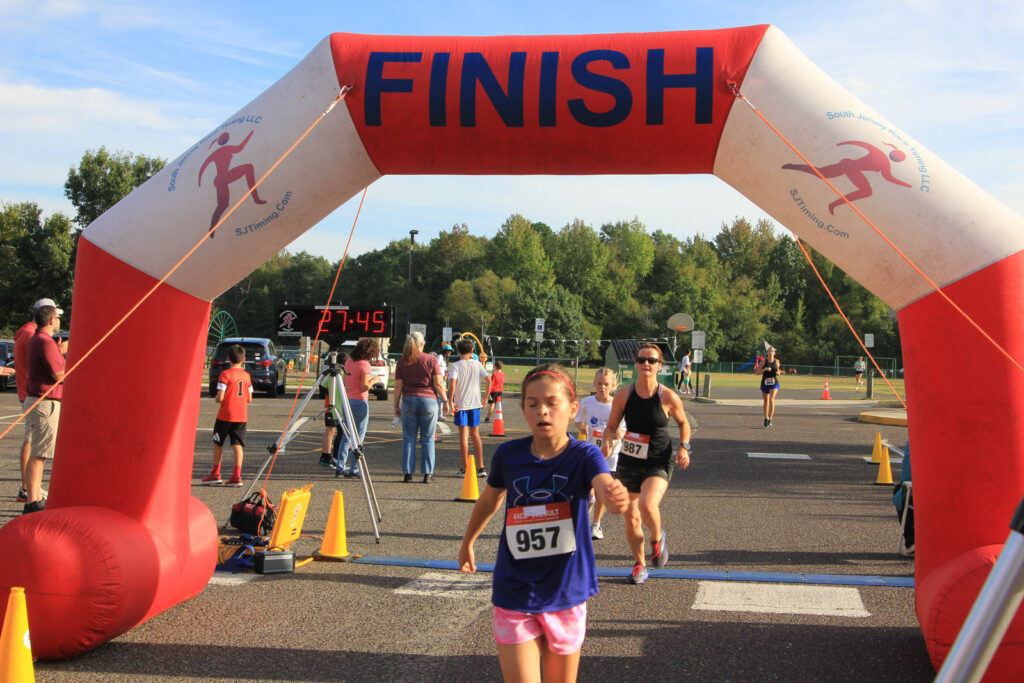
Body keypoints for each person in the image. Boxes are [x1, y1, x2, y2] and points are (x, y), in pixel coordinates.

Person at [458, 364, 629, 682]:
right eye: (533, 403)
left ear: (573, 409)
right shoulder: (508, 455)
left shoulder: (584, 455)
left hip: (566, 591)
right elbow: (489, 500)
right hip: (514, 589)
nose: (542, 411)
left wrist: (613, 496)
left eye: (552, 403)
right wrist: (468, 542)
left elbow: (604, 484)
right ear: (523, 409)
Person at [603, 343, 691, 584]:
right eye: (641, 360)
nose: (646, 364)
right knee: (631, 517)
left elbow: (683, 423)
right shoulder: (624, 395)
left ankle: (656, 538)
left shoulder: (668, 396)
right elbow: (611, 426)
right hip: (630, 461)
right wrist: (608, 440)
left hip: (658, 459)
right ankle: (639, 564)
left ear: (660, 366)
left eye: (651, 361)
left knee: (646, 504)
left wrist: (684, 447)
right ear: (635, 364)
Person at [13, 298, 66, 503]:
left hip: (34, 398)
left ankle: (32, 495)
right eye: (57, 318)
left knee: (37, 452)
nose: (59, 321)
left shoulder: (35, 338)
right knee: (39, 454)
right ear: (51, 320)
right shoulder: (44, 341)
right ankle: (32, 499)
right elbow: (59, 375)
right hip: (44, 401)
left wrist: (58, 352)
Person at [394, 331, 450, 483]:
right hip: (429, 401)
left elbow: (398, 386)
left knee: (409, 438)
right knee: (428, 438)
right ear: (421, 344)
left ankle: (408, 473)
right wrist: (445, 401)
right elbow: (438, 384)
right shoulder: (431, 359)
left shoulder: (402, 361)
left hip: (408, 400)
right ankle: (427, 473)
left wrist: (396, 405)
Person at [575, 367, 624, 540]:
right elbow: (578, 420)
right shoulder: (587, 402)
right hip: (591, 451)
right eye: (599, 383)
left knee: (603, 490)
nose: (602, 387)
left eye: (606, 384)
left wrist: (611, 440)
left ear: (613, 386)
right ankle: (587, 506)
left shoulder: (617, 404)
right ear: (594, 384)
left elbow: (623, 429)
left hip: (611, 454)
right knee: (588, 490)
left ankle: (596, 525)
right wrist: (582, 428)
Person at [201, 344, 252, 486]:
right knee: (237, 445)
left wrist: (217, 399)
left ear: (228, 358)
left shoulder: (225, 375)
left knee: (218, 443)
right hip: (241, 415)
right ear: (243, 359)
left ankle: (216, 474)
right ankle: (237, 476)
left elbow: (220, 397)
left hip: (225, 415)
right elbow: (249, 398)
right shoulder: (247, 376)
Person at [333, 339, 379, 478]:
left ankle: (340, 466)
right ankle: (354, 468)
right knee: (358, 436)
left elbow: (346, 381)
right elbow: (364, 386)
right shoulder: (365, 365)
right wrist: (374, 380)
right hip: (360, 401)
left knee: (346, 435)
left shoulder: (349, 361)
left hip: (347, 400)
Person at [448, 338, 490, 478]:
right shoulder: (477, 364)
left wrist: (451, 401)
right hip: (475, 403)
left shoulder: (455, 366)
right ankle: (481, 467)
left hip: (461, 404)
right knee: (475, 434)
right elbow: (488, 380)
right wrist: (485, 397)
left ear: (458, 351)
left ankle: (465, 468)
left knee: (463, 436)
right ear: (472, 351)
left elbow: (452, 383)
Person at [318, 350, 348, 468]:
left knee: (330, 432)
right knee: (340, 434)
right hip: (338, 408)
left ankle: (326, 455)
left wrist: (330, 394)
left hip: (332, 406)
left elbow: (322, 386)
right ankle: (334, 457)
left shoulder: (332, 375)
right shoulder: (343, 375)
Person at [753, 346, 781, 427]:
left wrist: (778, 373)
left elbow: (778, 371)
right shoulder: (763, 361)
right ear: (767, 352)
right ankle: (766, 418)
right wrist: (764, 369)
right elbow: (757, 372)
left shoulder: (777, 361)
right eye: (769, 351)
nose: (771, 352)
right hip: (765, 383)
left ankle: (770, 419)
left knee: (771, 400)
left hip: (774, 383)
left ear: (774, 353)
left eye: (772, 351)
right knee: (766, 401)